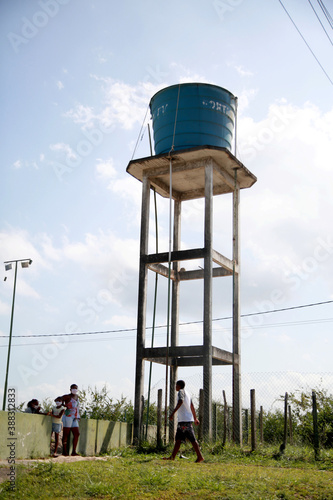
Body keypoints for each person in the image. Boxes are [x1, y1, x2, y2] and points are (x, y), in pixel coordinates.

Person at [164, 380, 204, 462]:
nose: (175, 387)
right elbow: (192, 406)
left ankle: (200, 457)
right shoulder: (188, 393)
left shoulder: (181, 392)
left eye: (176, 385)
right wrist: (195, 418)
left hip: (184, 421)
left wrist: (172, 413)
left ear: (179, 385)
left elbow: (180, 401)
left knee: (192, 439)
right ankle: (172, 457)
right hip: (186, 420)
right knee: (178, 439)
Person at [61, 384, 80, 456]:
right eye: (73, 388)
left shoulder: (77, 396)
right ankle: (64, 451)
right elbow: (59, 399)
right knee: (66, 433)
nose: (74, 390)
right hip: (68, 416)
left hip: (75, 417)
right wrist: (63, 405)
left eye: (76, 388)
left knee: (77, 433)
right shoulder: (67, 396)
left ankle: (74, 451)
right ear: (70, 389)